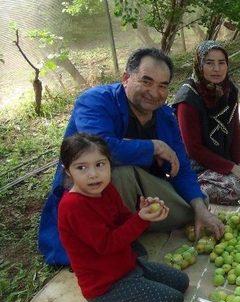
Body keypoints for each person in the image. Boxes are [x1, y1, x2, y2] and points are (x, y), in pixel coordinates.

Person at [39, 48, 224, 266]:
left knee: (190, 210)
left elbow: (180, 165)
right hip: (93, 195)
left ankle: (135, 224)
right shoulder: (95, 102)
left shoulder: (164, 116)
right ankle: (112, 240)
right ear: (126, 78)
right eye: (146, 81)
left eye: (162, 85)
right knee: (113, 171)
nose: (154, 93)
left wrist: (200, 208)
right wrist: (153, 147)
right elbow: (101, 149)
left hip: (141, 189)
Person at [57, 133, 188, 302]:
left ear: (110, 164)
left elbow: (124, 220)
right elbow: (107, 244)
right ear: (68, 171)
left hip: (127, 265)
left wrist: (143, 212)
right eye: (81, 167)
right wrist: (140, 220)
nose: (93, 174)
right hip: (106, 285)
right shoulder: (73, 207)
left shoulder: (106, 188)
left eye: (100, 164)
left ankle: (137, 280)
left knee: (181, 282)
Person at [173, 41, 240, 205]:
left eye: (221, 63)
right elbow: (193, 149)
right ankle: (193, 187)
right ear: (199, 65)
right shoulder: (188, 98)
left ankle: (235, 181)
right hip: (198, 166)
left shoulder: (229, 90)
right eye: (209, 63)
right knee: (233, 187)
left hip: (224, 157)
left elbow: (235, 131)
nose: (216, 69)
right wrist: (232, 169)